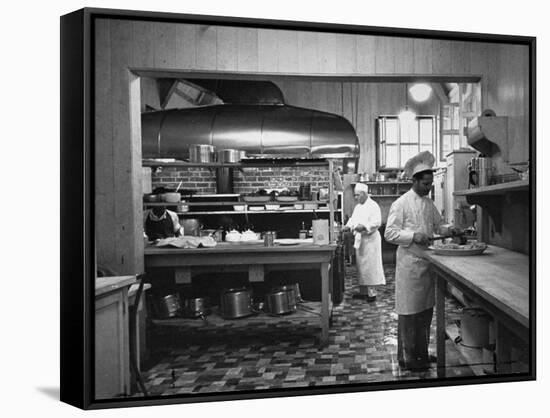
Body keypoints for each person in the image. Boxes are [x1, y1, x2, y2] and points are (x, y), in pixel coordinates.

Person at [384, 151, 461, 370]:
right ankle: (408, 359)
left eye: (430, 184)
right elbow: (390, 234)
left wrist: (450, 229)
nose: (429, 188)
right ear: (415, 181)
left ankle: (422, 355)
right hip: (409, 266)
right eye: (425, 184)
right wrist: (413, 236)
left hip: (427, 266)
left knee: (425, 313)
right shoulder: (401, 203)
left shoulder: (428, 204)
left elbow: (438, 225)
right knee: (409, 314)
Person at [343, 183, 385, 302]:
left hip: (371, 241)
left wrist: (365, 226)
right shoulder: (358, 207)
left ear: (363, 194)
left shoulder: (373, 205)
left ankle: (372, 294)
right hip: (361, 241)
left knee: (370, 267)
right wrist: (347, 226)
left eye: (357, 195)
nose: (356, 198)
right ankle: (363, 292)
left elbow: (377, 222)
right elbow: (353, 219)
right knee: (361, 268)